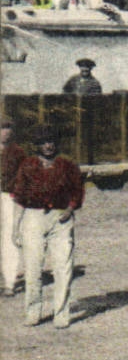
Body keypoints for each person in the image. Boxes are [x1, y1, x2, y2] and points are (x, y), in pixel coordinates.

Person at [8, 126, 84, 329]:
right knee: (33, 268)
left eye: (51, 141)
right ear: (37, 145)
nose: (48, 145)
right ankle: (33, 312)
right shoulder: (27, 166)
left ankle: (61, 314)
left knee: (63, 268)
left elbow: (78, 191)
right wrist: (15, 228)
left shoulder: (67, 165)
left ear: (57, 143)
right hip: (33, 218)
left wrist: (69, 210)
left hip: (60, 219)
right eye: (43, 142)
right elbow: (19, 198)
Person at [0, 119, 23, 296]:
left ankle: (10, 282)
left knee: (9, 238)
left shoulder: (18, 152)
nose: (5, 132)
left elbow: (24, 176)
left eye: (8, 128)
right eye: (2, 128)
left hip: (9, 197)